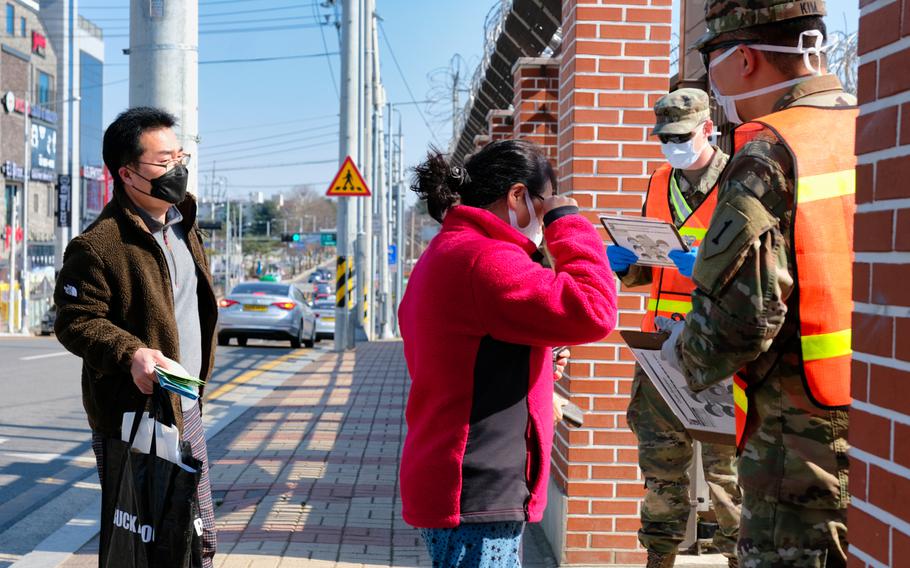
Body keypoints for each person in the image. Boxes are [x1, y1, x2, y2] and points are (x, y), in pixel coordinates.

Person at [659, 1, 856, 565]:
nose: (710, 82)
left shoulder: (770, 151)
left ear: (743, 58)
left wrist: (684, 353)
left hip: (796, 446)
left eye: (709, 60)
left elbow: (737, 321)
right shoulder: (875, 126)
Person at [398, 139, 617, 567]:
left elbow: (473, 355)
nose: (544, 218)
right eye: (543, 201)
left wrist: (538, 358)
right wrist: (567, 222)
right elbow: (595, 310)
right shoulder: (487, 259)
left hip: (462, 480)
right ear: (518, 196)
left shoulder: (453, 250)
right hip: (478, 490)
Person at [54, 107, 219, 566]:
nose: (178, 169)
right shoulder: (98, 244)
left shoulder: (183, 225)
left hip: (185, 405)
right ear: (127, 173)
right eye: (163, 161)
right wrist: (131, 353)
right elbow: (74, 320)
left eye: (180, 155)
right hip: (133, 415)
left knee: (197, 539)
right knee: (142, 546)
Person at [608, 89, 740, 568]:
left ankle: (738, 560)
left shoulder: (740, 179)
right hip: (662, 343)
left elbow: (760, 268)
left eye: (681, 136)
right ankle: (658, 560)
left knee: (729, 480)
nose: (672, 146)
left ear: (708, 128)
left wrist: (704, 269)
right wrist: (625, 265)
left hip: (720, 346)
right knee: (662, 471)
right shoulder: (659, 180)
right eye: (664, 138)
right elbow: (649, 267)